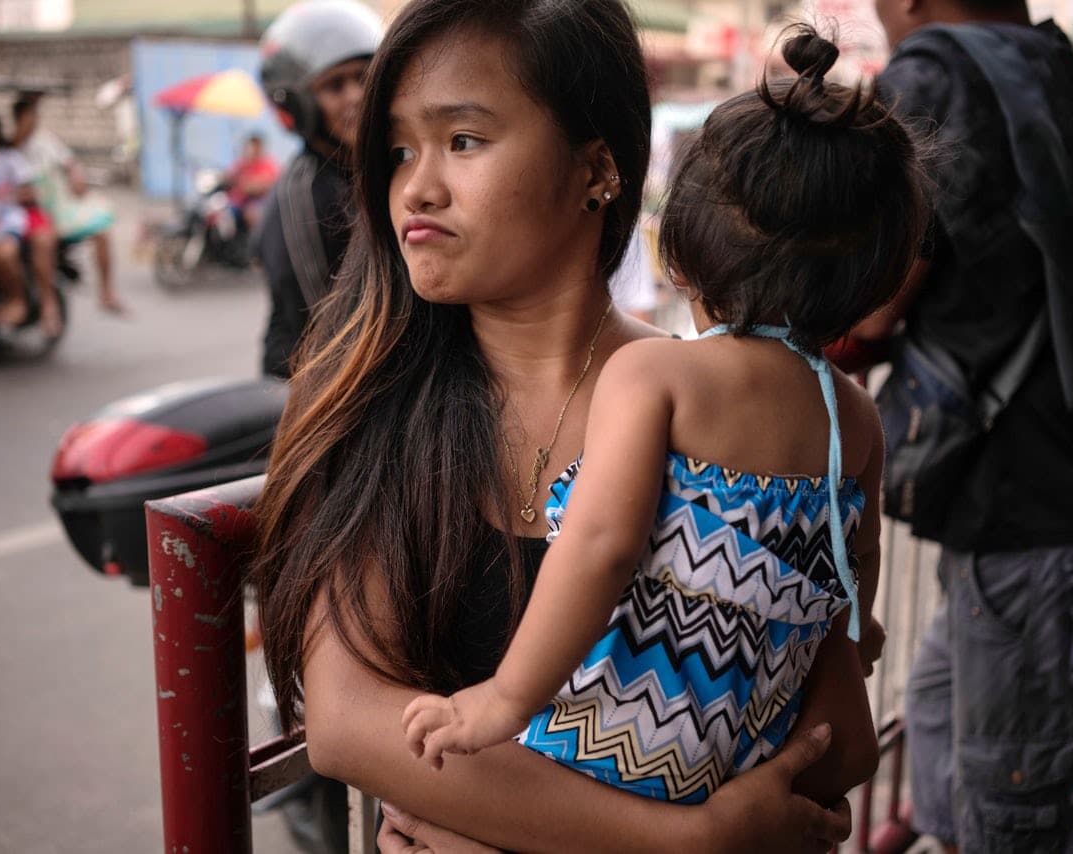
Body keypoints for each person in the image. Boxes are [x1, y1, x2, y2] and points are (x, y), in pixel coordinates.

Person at [252, 1, 860, 851]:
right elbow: (351, 725)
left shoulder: (714, 406)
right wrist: (683, 841)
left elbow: (821, 734)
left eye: (463, 141)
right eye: (398, 152)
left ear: (597, 168)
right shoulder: (372, 397)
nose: (417, 188)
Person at [401, 27, 926, 806]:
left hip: (611, 749)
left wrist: (504, 697)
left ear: (677, 253)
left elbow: (604, 546)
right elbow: (857, 573)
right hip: (746, 747)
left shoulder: (654, 373)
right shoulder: (853, 416)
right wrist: (855, 634)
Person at [864, 1, 1073, 851]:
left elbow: (869, 298)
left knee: (1031, 811)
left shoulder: (932, 75)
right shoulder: (1054, 64)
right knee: (947, 725)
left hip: (1036, 527)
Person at [256, 0, 382, 379]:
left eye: (363, 77)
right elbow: (330, 332)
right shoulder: (303, 197)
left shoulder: (381, 166)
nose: (356, 96)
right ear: (300, 104)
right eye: (334, 85)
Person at [12, 96, 127, 315]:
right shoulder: (10, 149)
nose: (33, 121)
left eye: (34, 116)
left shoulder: (45, 141)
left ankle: (106, 293)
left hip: (59, 209)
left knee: (102, 230)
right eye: (29, 116)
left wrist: (76, 177)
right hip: (32, 213)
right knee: (42, 242)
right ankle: (47, 303)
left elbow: (71, 163)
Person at [0, 109, 62, 338]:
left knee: (14, 250)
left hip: (10, 217)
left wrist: (1, 196)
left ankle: (34, 303)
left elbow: (28, 191)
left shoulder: (10, 158)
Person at [223, 133, 279, 233]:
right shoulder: (241, 163)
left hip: (258, 202)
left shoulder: (267, 164)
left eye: (254, 147)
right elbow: (228, 177)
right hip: (237, 203)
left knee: (253, 213)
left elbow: (268, 183)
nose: (252, 150)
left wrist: (250, 184)